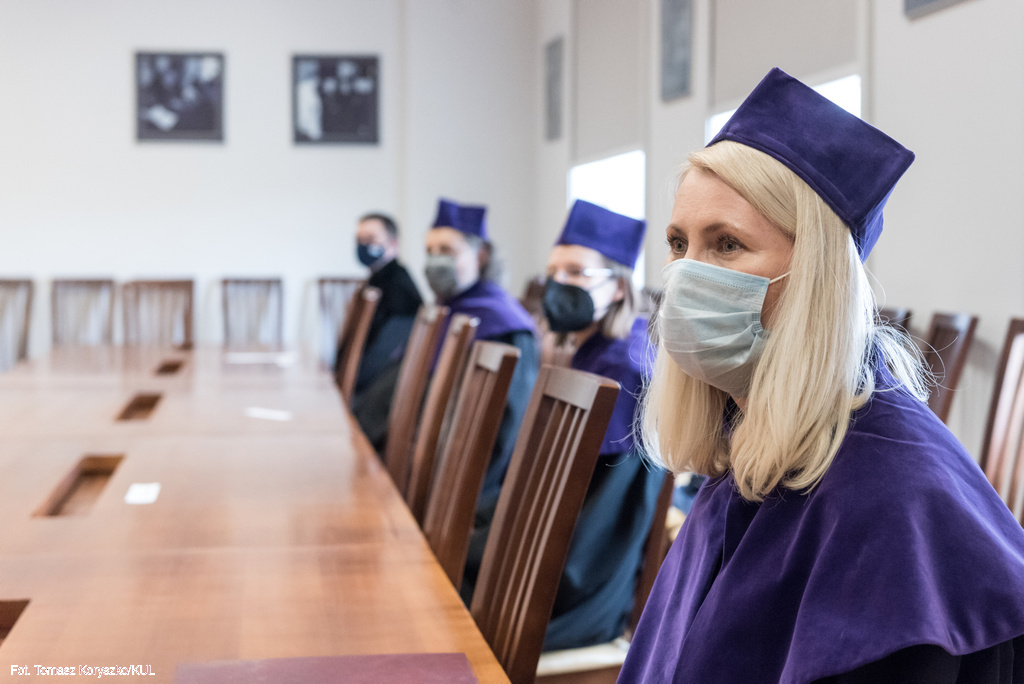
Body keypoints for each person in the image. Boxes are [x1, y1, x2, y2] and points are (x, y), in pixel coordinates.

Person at [620, 68, 1024, 683]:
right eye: (679, 245)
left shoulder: (894, 499)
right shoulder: (753, 433)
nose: (685, 277)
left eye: (726, 245)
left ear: (816, 274)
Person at [538, 199, 664, 651]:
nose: (558, 284)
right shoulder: (589, 349)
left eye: (575, 271)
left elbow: (601, 523)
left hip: (578, 583)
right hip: (554, 542)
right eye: (552, 272)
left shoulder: (624, 368)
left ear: (617, 287)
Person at [423, 198, 540, 603]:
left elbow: (502, 433)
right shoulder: (449, 310)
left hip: (475, 492)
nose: (435, 260)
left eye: (447, 250)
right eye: (429, 250)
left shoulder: (502, 325)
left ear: (481, 255)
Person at [343, 212, 423, 452]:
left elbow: (385, 351)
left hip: (375, 395)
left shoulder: (398, 287)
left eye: (371, 238)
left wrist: (350, 385)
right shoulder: (376, 280)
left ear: (393, 243)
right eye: (360, 239)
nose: (363, 245)